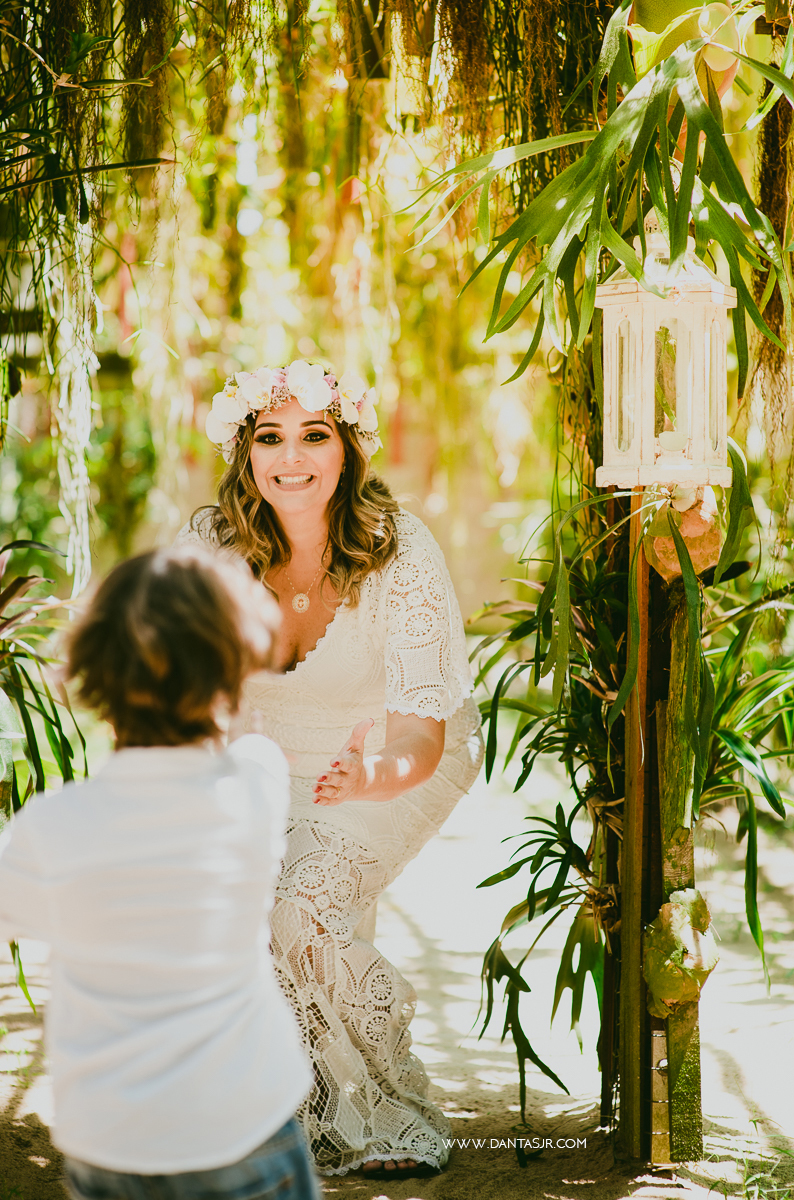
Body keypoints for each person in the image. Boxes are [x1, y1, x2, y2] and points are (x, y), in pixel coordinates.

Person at [179, 359, 483, 1179]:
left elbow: (423, 733)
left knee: (299, 912)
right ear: (245, 453)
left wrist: (371, 774)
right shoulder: (210, 546)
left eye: (315, 435)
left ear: (346, 449)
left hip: (390, 758)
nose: (292, 456)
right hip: (257, 760)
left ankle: (388, 1106)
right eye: (269, 437)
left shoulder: (398, 549)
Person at [0, 546, 321, 1200]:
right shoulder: (255, 786)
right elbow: (255, 747)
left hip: (109, 1141)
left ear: (95, 673)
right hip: (244, 1123)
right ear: (234, 671)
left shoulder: (50, 828)